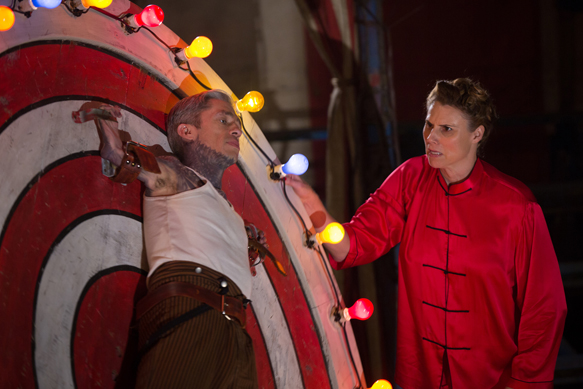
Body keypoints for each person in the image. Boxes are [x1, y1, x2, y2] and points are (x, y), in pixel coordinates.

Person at [287, 78, 567, 389]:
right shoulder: (410, 179)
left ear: (477, 134)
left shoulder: (517, 207)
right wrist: (316, 211)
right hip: (419, 375)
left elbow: (544, 308)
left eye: (446, 129)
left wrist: (524, 384)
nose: (431, 138)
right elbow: (354, 245)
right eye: (428, 125)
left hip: (492, 380)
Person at [80, 90, 258, 389]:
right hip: (191, 308)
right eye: (223, 119)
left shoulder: (232, 213)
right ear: (187, 131)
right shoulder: (176, 175)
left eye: (235, 122)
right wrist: (104, 117)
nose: (236, 129)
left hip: (237, 331)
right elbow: (119, 154)